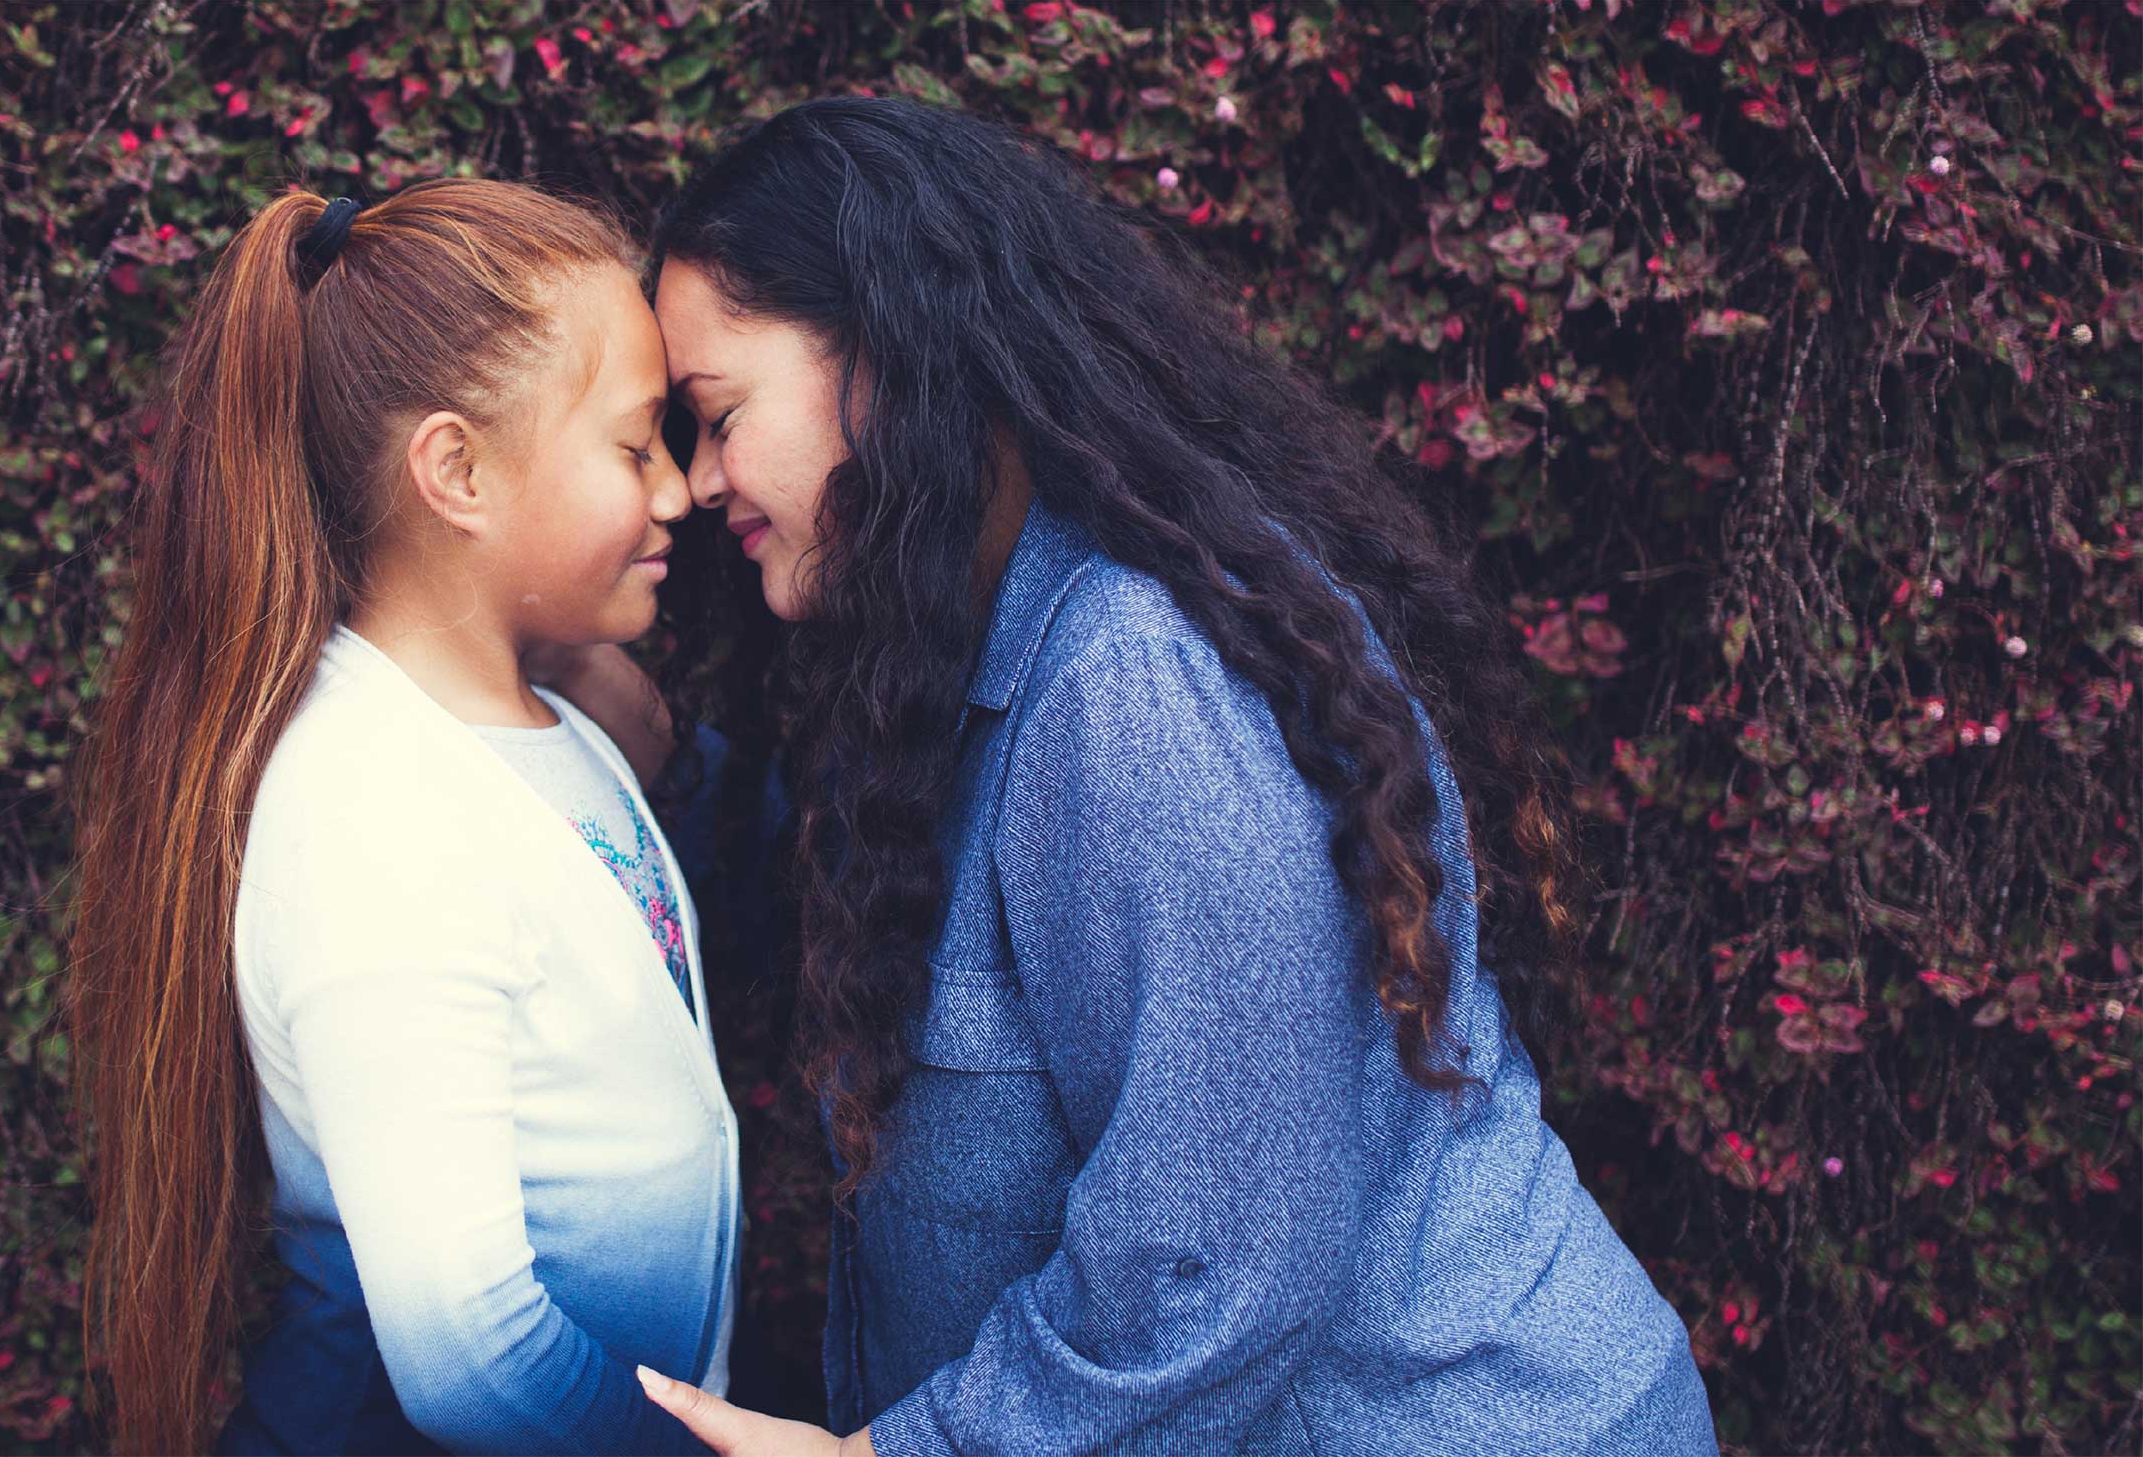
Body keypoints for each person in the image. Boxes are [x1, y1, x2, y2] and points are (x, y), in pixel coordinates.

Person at [627, 98, 1720, 1456]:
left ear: (891, 356)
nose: (695, 480)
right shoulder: (965, 665)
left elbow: (1216, 1260)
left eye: (717, 414)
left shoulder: (1138, 678)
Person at [64, 179, 737, 1456]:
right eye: (634, 445)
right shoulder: (373, 814)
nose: (676, 494)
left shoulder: (540, 731)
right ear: (458, 469)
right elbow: (470, 1356)